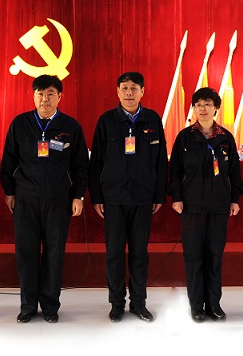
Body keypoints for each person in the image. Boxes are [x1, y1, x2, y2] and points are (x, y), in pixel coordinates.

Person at [0, 75, 89, 323]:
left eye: (50, 93)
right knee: (26, 253)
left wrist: (78, 195)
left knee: (54, 253)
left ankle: (50, 306)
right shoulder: (20, 123)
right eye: (40, 93)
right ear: (33, 96)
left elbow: (81, 165)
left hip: (59, 199)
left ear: (59, 96)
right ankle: (28, 306)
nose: (44, 98)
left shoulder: (70, 126)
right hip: (25, 199)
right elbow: (9, 161)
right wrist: (9, 192)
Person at [88, 72, 167, 323]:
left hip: (143, 198)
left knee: (139, 253)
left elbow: (160, 160)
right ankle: (116, 304)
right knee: (114, 254)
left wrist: (158, 194)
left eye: (134, 88)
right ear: (118, 92)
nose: (129, 92)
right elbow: (95, 161)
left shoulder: (152, 119)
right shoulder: (106, 121)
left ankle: (139, 303)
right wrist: (97, 196)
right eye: (124, 88)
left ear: (143, 91)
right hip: (113, 198)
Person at [169, 87, 243, 323]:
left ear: (216, 108)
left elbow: (235, 172)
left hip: (219, 206)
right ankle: (196, 306)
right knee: (193, 256)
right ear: (193, 108)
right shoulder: (184, 137)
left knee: (214, 256)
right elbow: (175, 171)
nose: (202, 109)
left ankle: (214, 304)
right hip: (191, 207)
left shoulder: (226, 138)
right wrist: (177, 198)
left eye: (207, 104)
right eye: (198, 104)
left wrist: (234, 199)